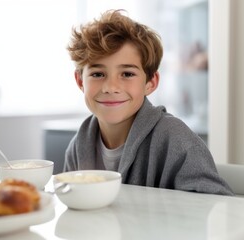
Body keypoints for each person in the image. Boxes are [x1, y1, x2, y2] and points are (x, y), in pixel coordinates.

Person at [64, 9, 234, 195]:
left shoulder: (176, 139)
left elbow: (218, 206)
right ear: (80, 81)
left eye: (127, 74)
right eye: (97, 74)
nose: (110, 87)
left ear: (151, 83)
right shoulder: (79, 145)